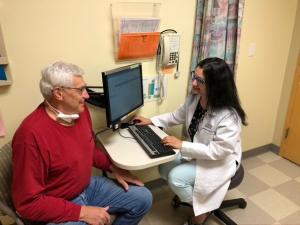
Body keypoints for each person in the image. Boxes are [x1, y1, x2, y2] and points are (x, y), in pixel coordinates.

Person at [12, 61, 152, 225]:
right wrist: (81, 212)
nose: (86, 95)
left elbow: (89, 149)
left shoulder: (80, 111)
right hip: (56, 203)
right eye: (80, 90)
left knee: (143, 198)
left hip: (86, 187)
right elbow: (27, 204)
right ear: (58, 93)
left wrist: (114, 168)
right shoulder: (30, 136)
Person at [134, 57, 247, 225]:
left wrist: (182, 145)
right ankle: (201, 199)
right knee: (164, 167)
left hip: (220, 160)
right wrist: (152, 121)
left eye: (200, 80)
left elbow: (219, 151)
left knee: (175, 177)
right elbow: (175, 116)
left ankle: (201, 210)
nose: (193, 82)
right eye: (194, 75)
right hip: (197, 152)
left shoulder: (229, 116)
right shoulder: (195, 98)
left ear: (215, 85)